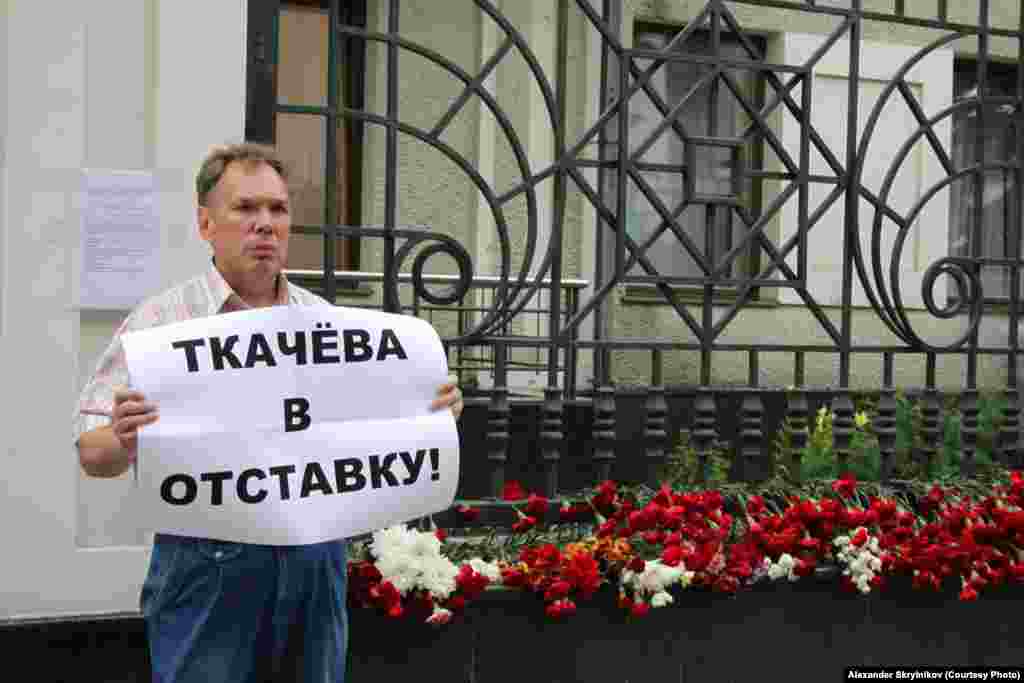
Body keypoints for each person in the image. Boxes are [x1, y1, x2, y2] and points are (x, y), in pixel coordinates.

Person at [74, 142, 464, 682]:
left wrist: (431, 412)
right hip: (207, 569)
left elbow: (370, 428)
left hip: (314, 567)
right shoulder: (160, 326)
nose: (264, 224)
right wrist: (122, 437)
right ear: (206, 224)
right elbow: (91, 453)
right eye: (245, 208)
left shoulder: (327, 325)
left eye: (277, 209)